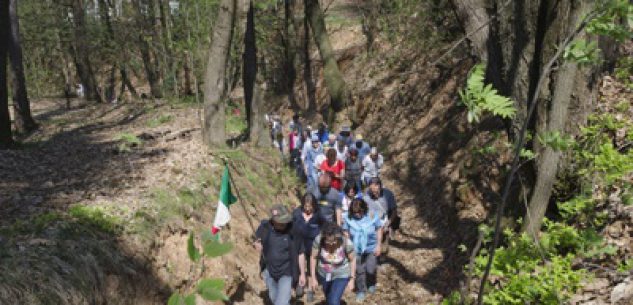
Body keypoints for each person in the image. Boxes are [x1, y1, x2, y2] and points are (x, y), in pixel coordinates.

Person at [254, 204, 306, 305]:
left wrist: (302, 274)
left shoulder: (294, 230)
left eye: (285, 221)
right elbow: (257, 239)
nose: (284, 224)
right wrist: (257, 244)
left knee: (281, 302)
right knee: (274, 298)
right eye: (281, 222)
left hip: (287, 272)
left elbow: (301, 253)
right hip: (269, 271)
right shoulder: (265, 227)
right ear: (273, 220)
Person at [342, 198, 383, 301]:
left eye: (359, 212)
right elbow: (345, 232)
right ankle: (361, 290)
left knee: (370, 269)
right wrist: (347, 246)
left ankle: (371, 282)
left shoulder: (372, 216)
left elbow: (379, 229)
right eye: (355, 212)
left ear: (364, 209)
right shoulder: (348, 218)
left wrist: (378, 245)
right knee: (359, 271)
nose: (357, 215)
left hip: (371, 247)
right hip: (356, 249)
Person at [309, 223, 356, 305]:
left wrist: (352, 279)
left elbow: (352, 260)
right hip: (324, 273)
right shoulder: (319, 240)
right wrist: (313, 277)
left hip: (341, 273)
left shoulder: (346, 242)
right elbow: (313, 257)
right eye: (328, 241)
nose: (331, 244)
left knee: (334, 301)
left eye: (334, 241)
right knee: (329, 298)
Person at [293, 193, 324, 303]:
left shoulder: (318, 215)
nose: (307, 209)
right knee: (298, 265)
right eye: (305, 207)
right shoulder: (296, 213)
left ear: (314, 206)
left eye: (310, 207)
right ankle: (300, 284)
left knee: (312, 268)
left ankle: (310, 289)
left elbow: (324, 227)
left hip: (312, 245)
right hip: (299, 243)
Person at [362, 177, 398, 257]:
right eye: (372, 191)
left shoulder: (388, 194)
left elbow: (394, 211)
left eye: (376, 191)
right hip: (371, 222)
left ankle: (383, 255)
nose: (374, 193)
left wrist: (388, 223)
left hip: (385, 220)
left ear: (380, 186)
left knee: (384, 241)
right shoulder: (366, 197)